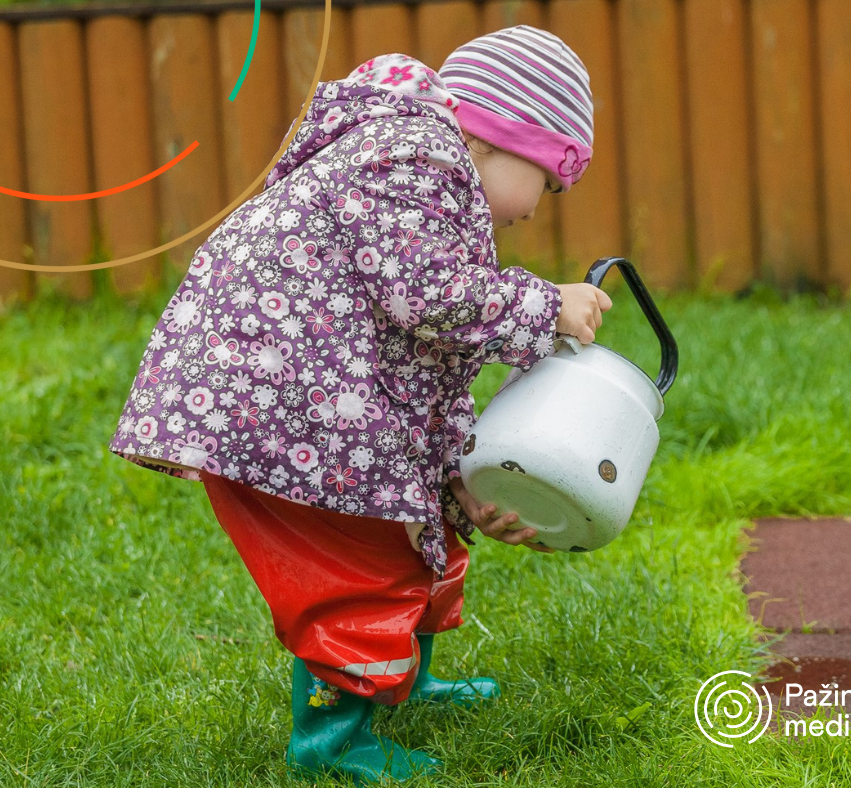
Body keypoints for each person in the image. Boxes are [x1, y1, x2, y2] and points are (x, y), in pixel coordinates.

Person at [109, 25, 611, 783]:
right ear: (499, 138)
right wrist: (544, 309)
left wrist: (458, 484)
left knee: (418, 534)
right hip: (278, 405)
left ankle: (400, 681)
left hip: (319, 401)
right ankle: (331, 745)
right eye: (549, 181)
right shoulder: (417, 159)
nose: (539, 212)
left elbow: (422, 373)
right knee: (356, 566)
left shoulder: (419, 175)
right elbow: (432, 300)